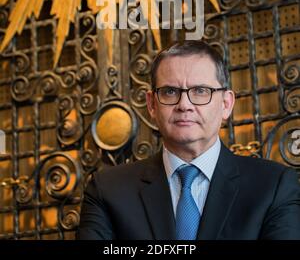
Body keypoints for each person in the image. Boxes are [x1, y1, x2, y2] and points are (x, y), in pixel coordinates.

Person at [77, 40, 300, 240]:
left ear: (226, 104)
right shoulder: (107, 191)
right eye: (170, 92)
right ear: (152, 105)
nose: (184, 104)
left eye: (201, 91)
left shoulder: (273, 187)